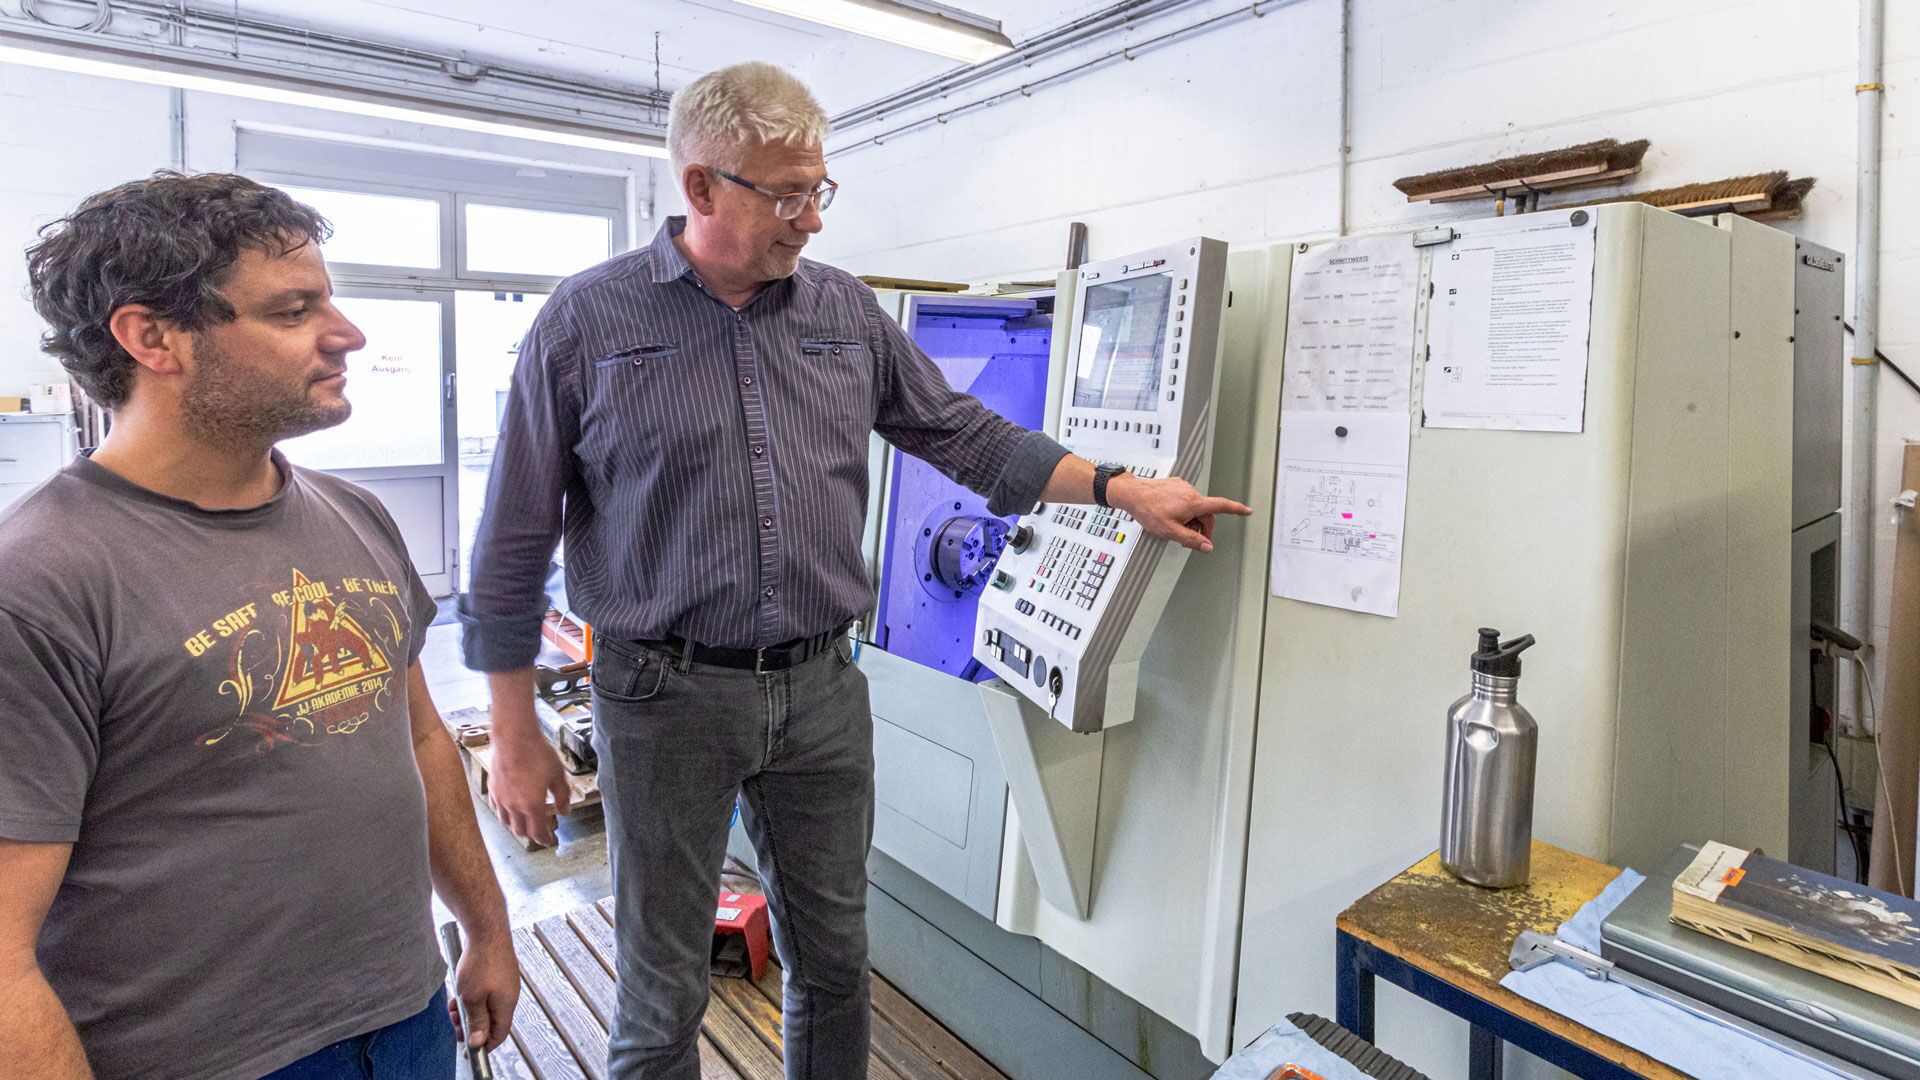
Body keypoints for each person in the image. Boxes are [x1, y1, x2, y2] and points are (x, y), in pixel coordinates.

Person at [462, 62, 1251, 1080]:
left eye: (818, 189)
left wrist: (1119, 487)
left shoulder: (843, 312)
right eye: (785, 193)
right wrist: (515, 732)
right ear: (701, 188)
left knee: (834, 960)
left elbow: (961, 433)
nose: (811, 219)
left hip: (821, 689)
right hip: (663, 697)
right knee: (662, 990)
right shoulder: (588, 323)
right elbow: (512, 542)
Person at [1, 172, 518, 1080]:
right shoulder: (42, 582)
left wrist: (487, 929)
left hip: (404, 1017)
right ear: (152, 337)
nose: (346, 333)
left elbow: (425, 740)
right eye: (292, 311)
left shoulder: (356, 514)